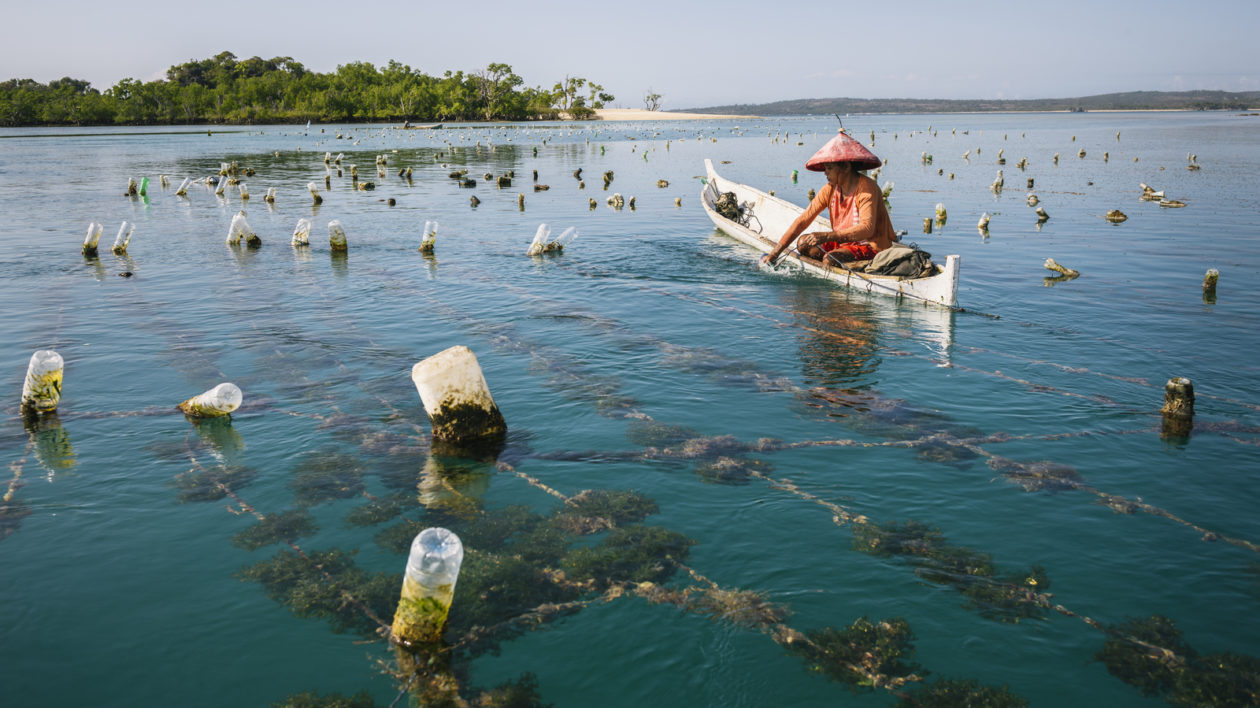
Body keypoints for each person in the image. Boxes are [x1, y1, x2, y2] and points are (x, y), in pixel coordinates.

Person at [760, 131, 896, 268]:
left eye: (830, 168)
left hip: (872, 248)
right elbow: (803, 221)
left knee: (830, 260)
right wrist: (774, 254)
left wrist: (827, 236)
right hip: (843, 243)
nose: (825, 173)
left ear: (846, 167)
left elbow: (867, 229)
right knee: (803, 243)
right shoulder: (830, 189)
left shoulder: (866, 188)